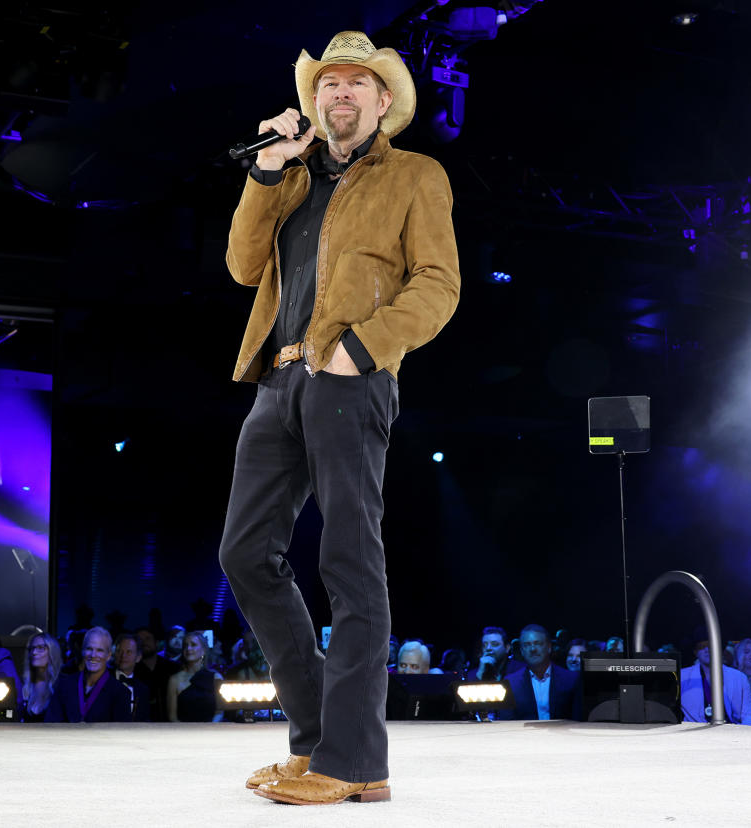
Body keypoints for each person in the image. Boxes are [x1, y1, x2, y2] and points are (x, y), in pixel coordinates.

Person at [217, 28, 460, 806]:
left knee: (348, 562)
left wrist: (367, 345)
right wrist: (265, 170)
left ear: (383, 101)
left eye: (357, 83)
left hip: (348, 376)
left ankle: (356, 762)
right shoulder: (288, 175)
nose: (340, 94)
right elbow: (242, 266)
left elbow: (440, 283)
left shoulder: (417, 176)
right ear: (311, 102)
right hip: (278, 379)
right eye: (328, 85)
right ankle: (321, 739)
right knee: (244, 555)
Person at [45, 627, 138, 722]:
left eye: (100, 650)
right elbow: (51, 724)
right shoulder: (64, 685)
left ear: (109, 655)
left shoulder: (120, 693)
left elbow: (120, 734)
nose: (93, 655)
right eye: (89, 649)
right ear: (82, 651)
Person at [500, 625, 583, 721]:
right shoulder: (511, 683)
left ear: (549, 647)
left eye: (538, 643)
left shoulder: (571, 680)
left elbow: (579, 719)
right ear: (522, 651)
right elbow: (507, 722)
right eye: (527, 645)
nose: (532, 649)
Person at [680, 629, 751, 724]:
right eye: (701, 646)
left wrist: (747, 737)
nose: (707, 649)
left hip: (731, 733)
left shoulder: (739, 677)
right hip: (694, 735)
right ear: (695, 652)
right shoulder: (683, 677)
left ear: (719, 648)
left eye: (710, 645)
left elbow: (748, 714)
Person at [167, 631, 224, 722]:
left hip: (210, 731)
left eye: (193, 645)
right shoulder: (174, 679)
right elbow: (172, 717)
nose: (188, 648)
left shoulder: (216, 678)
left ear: (204, 650)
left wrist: (209, 730)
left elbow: (219, 712)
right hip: (183, 732)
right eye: (185, 645)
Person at [133, 626, 179, 721]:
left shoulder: (173, 668)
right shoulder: (131, 670)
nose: (144, 642)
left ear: (156, 643)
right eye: (140, 639)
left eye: (147, 638)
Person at [17, 632, 62, 723]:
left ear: (52, 652)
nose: (34, 653)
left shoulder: (61, 686)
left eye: (41, 648)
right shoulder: (23, 685)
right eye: (32, 648)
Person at [112, 633, 151, 722]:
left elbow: (145, 719)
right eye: (119, 651)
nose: (123, 656)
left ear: (138, 657)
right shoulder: (104, 681)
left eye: (128, 652)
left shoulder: (143, 689)